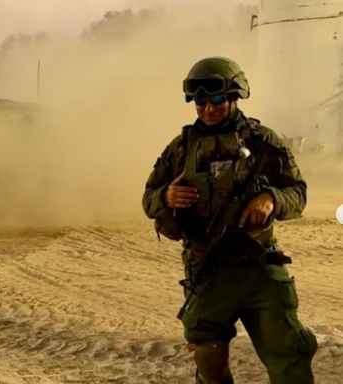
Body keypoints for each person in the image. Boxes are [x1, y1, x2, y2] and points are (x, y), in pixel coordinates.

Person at [142, 57, 317, 384]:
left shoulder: (263, 142)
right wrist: (165, 197)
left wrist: (272, 199)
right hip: (208, 270)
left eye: (218, 99)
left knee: (289, 355)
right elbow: (148, 197)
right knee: (209, 363)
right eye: (201, 101)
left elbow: (299, 194)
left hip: (259, 268)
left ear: (235, 97)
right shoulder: (180, 149)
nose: (209, 108)